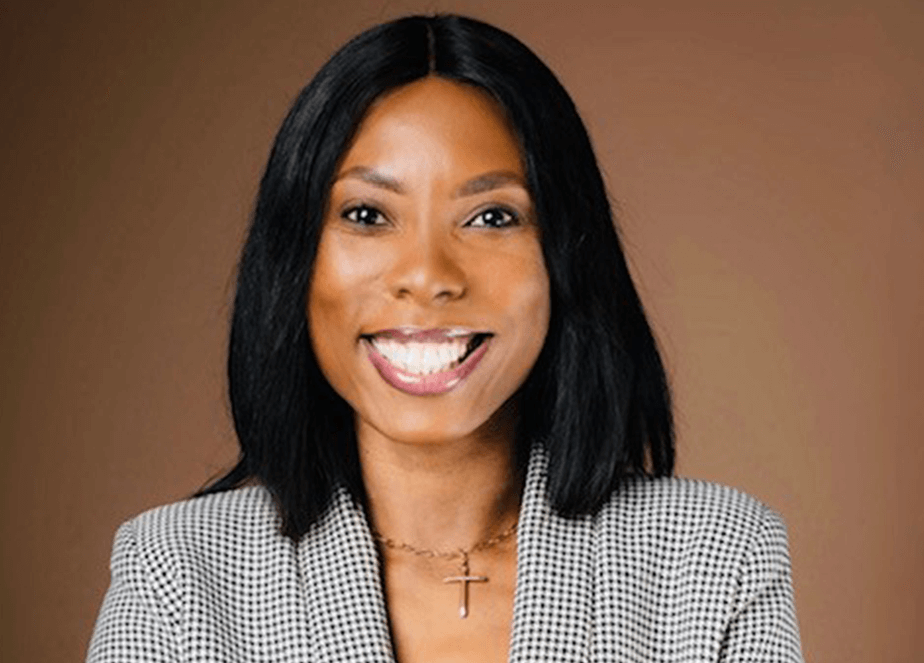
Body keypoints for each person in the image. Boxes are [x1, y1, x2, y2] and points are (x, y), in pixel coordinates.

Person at [87, 14, 802, 663]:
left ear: (565, 259)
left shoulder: (717, 559)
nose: (427, 276)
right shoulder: (177, 574)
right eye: (367, 215)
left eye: (492, 217)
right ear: (294, 260)